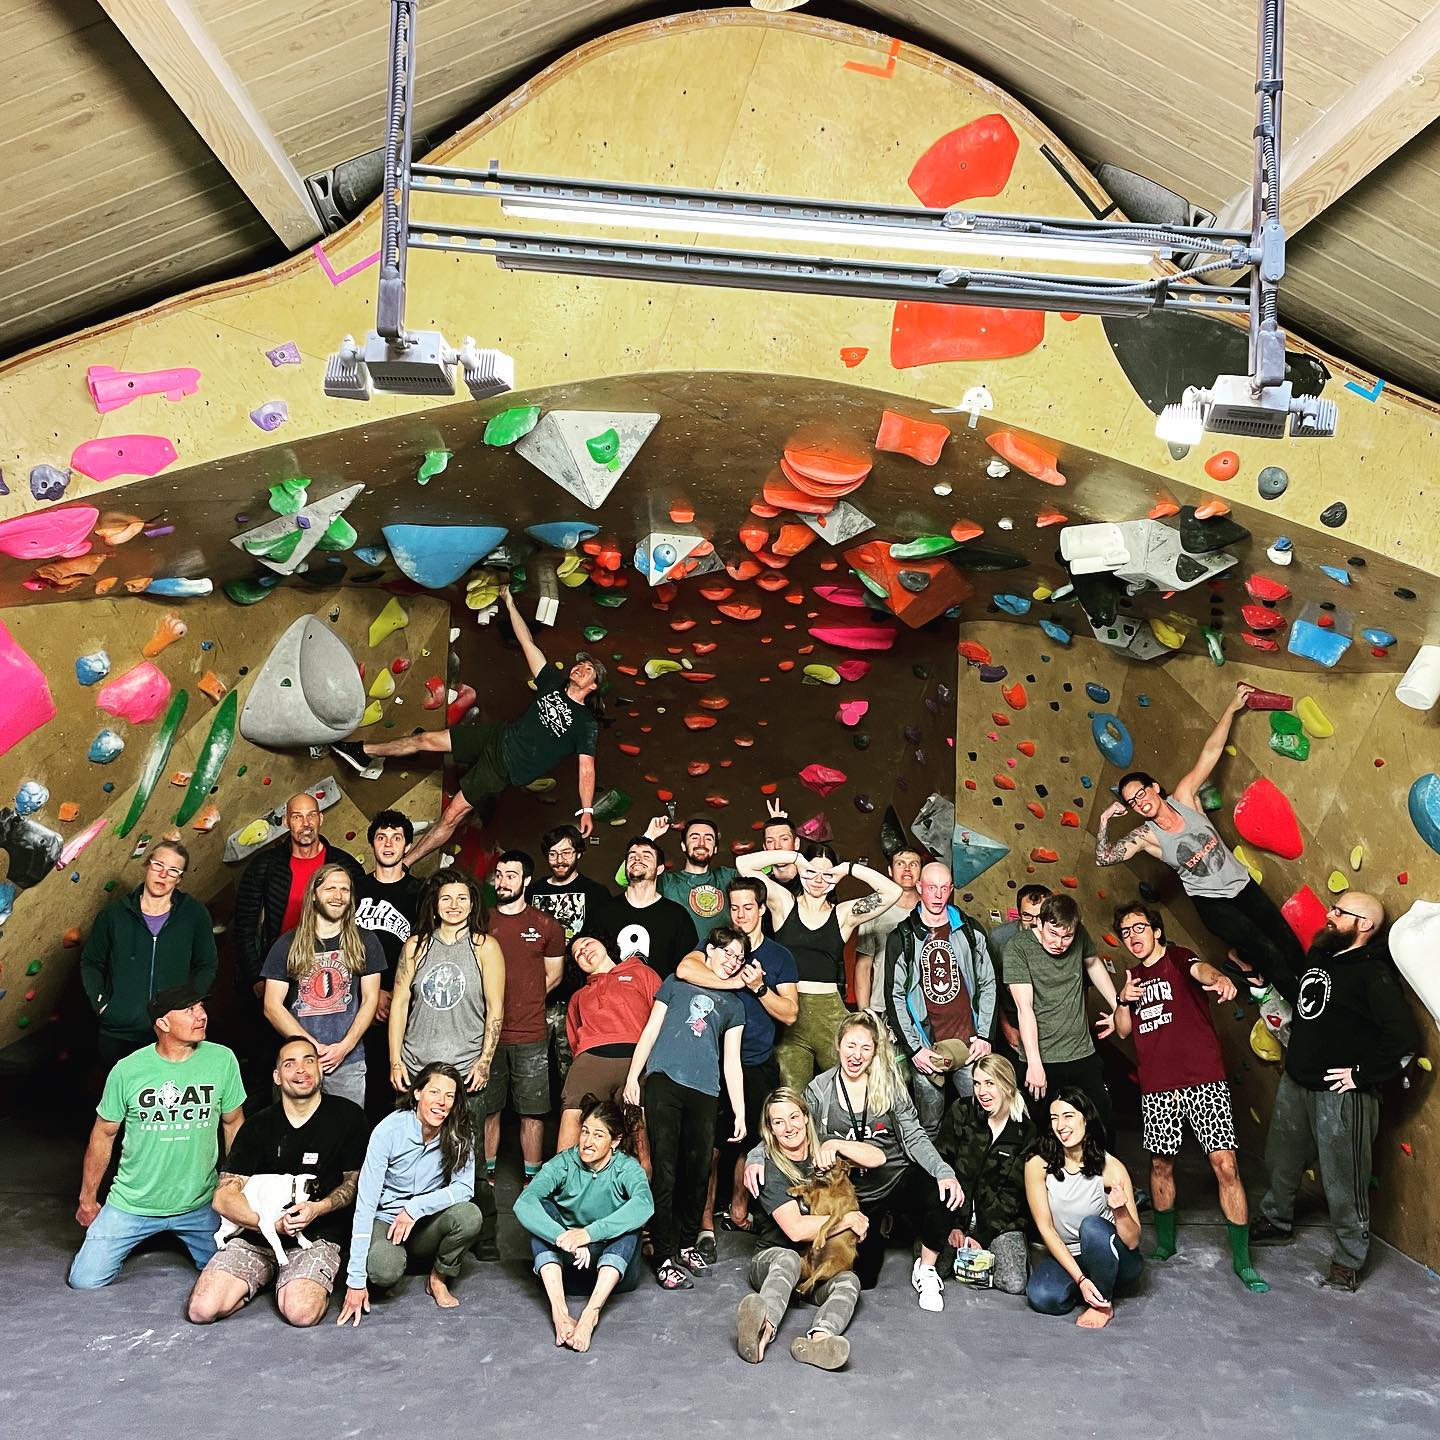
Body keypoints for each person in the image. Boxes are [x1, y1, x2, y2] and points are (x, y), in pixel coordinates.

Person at [332, 587, 603, 868]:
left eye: (587, 670)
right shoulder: (552, 683)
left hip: (505, 768)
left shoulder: (585, 724)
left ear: (593, 686)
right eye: (579, 664)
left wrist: (586, 808)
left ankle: (404, 865)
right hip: (496, 737)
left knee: (453, 814)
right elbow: (527, 642)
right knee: (426, 740)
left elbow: (586, 769)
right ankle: (363, 751)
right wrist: (509, 603)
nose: (579, 668)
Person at [1250, 892, 1418, 1291]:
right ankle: (1276, 1220)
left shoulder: (1373, 975)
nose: (1329, 914)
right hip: (1297, 1083)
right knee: (1281, 1158)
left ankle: (1348, 1258)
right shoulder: (1322, 955)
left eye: (1340, 912)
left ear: (1364, 926)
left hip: (1341, 1096)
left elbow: (1404, 1038)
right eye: (1333, 907)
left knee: (1345, 1180)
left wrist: (1361, 1076)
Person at [749, 1012, 963, 1312]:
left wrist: (943, 1171)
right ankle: (893, 1228)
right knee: (864, 1277)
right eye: (850, 1045)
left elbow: (914, 1136)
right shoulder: (820, 1089)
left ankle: (925, 1268)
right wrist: (755, 1155)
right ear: (837, 1046)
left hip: (893, 1177)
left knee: (942, 1192)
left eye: (865, 1047)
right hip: (855, 1197)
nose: (856, 1055)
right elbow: (792, 1124)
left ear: (875, 1051)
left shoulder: (888, 1084)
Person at [1094, 682, 1305, 983]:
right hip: (1212, 903)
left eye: (1141, 793)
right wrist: (1104, 819)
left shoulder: (1185, 798)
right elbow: (1103, 858)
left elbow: (1211, 752)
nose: (1140, 802)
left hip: (1241, 885)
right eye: (1132, 802)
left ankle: (1320, 990)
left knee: (1283, 937)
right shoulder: (1146, 836)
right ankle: (1304, 1010)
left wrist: (1232, 707)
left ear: (1154, 788)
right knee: (1264, 949)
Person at [1109, 901, 1268, 1292]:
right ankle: (1164, 1244)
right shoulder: (1131, 977)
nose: (1133, 936)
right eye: (1126, 932)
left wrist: (1219, 979)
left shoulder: (1178, 957)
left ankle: (1243, 1261)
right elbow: (1123, 1030)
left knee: (1225, 1165)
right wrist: (1123, 998)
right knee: (1161, 1166)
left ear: (1157, 931)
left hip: (1203, 1082)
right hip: (1159, 1087)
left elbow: (1201, 969)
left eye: (1139, 928)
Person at [69, 988, 245, 1289]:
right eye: (189, 1010)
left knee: (236, 1277)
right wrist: (87, 1198)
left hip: (199, 1203)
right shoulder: (128, 1071)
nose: (201, 1015)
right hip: (133, 1203)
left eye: (201, 1007)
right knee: (84, 1279)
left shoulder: (222, 1060)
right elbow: (103, 1133)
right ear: (162, 1024)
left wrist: (234, 1185)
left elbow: (234, 1123)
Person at [186, 1037, 369, 1326]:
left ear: (321, 1068)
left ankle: (290, 1280)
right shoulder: (258, 1125)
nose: (302, 1070)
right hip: (256, 1234)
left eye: (309, 1060)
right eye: (290, 1063)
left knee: (300, 1313)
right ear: (277, 1076)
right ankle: (266, 1276)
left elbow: (356, 1183)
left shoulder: (348, 1117)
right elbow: (223, 1197)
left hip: (317, 1235)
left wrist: (318, 1208)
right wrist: (271, 1225)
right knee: (201, 1310)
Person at [676, 876, 799, 1249]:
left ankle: (740, 1210)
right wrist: (734, 982)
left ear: (762, 909)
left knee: (752, 1143)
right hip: (711, 1059)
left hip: (757, 1061)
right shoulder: (717, 945)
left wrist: (760, 988)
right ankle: (704, 1220)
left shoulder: (779, 956)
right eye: (734, 907)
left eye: (749, 907)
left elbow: (791, 1013)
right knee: (710, 1143)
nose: (741, 915)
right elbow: (684, 970)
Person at [623, 928, 747, 1290]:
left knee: (698, 1171)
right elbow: (650, 1030)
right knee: (665, 1170)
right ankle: (663, 1255)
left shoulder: (734, 1005)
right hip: (664, 1082)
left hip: (706, 1090)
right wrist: (634, 1077)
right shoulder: (676, 983)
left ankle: (688, 1244)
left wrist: (739, 1110)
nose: (732, 962)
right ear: (709, 951)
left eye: (739, 958)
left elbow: (732, 1062)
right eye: (728, 954)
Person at [738, 841, 902, 1091]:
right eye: (811, 872)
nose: (818, 880)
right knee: (793, 1096)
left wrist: (847, 868)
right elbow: (743, 864)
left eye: (827, 874)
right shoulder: (784, 904)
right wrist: (794, 858)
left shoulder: (844, 914)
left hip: (830, 1015)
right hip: (789, 1013)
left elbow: (893, 892)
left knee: (848, 1090)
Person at [738, 1087, 881, 1371]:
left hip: (812, 1269)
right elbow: (795, 1230)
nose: (789, 1127)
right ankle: (761, 1331)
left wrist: (837, 1146)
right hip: (773, 1261)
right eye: (778, 1122)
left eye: (794, 1117)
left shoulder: (824, 1151)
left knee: (849, 1281)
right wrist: (848, 1219)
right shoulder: (768, 1165)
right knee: (788, 1258)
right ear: (770, 1129)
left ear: (806, 1117)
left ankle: (819, 1339)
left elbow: (878, 1158)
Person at [339, 1062, 484, 1323]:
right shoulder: (388, 1131)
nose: (442, 1102)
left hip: (425, 1223)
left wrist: (416, 1208)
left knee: (469, 1215)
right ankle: (396, 1260)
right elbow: (366, 1203)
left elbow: (465, 1188)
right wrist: (355, 1280)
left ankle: (438, 1278)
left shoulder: (460, 1132)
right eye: (434, 1092)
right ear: (417, 1093)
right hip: (387, 1221)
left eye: (449, 1096)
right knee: (383, 1270)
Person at [514, 1094, 654, 1352]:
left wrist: (588, 1234)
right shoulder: (565, 1163)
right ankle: (560, 1313)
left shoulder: (627, 1168)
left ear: (616, 1141)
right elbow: (524, 1203)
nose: (587, 1142)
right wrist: (563, 1238)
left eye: (598, 1135)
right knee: (541, 1210)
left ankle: (590, 1315)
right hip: (568, 1268)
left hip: (613, 1276)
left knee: (630, 1222)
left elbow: (645, 1205)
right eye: (585, 1132)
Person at [80, 840, 218, 1068]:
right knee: (120, 1099)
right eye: (158, 865)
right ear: (147, 866)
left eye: (173, 870)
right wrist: (103, 1004)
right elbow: (91, 962)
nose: (163, 875)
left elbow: (207, 964)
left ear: (180, 878)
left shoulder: (194, 914)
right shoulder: (114, 914)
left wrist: (188, 1006)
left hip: (172, 1031)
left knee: (168, 1098)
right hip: (119, 1031)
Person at [882, 860, 996, 1135]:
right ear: (919, 887)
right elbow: (894, 995)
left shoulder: (970, 930)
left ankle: (972, 1176)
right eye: (931, 887)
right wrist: (914, 1049)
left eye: (944, 888)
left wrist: (984, 1036)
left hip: (969, 1044)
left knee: (979, 1121)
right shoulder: (903, 936)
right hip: (927, 1046)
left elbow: (988, 982)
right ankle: (933, 1176)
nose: (937, 894)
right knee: (929, 1126)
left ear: (951, 890)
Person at [261, 864, 384, 1106]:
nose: (338, 896)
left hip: (348, 1062)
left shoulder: (366, 941)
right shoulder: (287, 944)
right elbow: (271, 1006)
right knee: (295, 1135)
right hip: (298, 1063)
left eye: (344, 890)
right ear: (315, 894)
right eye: (330, 888)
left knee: (346, 1136)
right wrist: (311, 1049)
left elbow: (371, 1000)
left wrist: (344, 1047)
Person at [1025, 1088, 1143, 1327]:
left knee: (1091, 1226)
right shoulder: (1037, 1165)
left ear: (1085, 1119)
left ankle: (1102, 1303)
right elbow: (1046, 1228)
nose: (1060, 1125)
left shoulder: (1111, 1167)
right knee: (1042, 1297)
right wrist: (1079, 1279)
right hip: (1070, 1256)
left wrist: (1120, 1211)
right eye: (1054, 1118)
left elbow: (1132, 1241)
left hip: (1114, 1256)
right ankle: (1091, 1285)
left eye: (1068, 1116)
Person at [232, 790, 364, 1002]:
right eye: (297, 817)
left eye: (311, 815)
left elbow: (361, 923)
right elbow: (244, 926)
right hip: (282, 970)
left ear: (321, 818)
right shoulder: (265, 866)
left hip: (333, 967)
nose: (306, 823)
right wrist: (256, 977)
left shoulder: (345, 866)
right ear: (286, 822)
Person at [482, 850, 565, 1183]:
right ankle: (484, 1176)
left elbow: (554, 975)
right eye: (499, 875)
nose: (503, 881)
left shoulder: (546, 925)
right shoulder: (481, 920)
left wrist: (524, 1000)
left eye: (511, 875)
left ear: (527, 880)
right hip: (488, 1034)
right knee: (488, 1109)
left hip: (531, 1033)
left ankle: (532, 1179)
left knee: (533, 1111)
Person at [1004, 893, 1120, 1130]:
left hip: (1081, 1052)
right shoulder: (1018, 947)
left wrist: (1118, 1008)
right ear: (1040, 922)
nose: (1059, 943)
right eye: (1053, 934)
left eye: (1067, 936)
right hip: (1042, 1057)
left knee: (1101, 1125)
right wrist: (1034, 1064)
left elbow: (1093, 963)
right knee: (1043, 1130)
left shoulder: (1080, 935)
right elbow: (1024, 1009)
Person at [934, 1054, 1036, 1295]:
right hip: (955, 1214)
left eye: (990, 1083)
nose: (982, 1091)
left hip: (999, 1223)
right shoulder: (962, 1111)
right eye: (977, 1083)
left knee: (1014, 1282)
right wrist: (953, 1224)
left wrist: (982, 1236)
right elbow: (941, 1165)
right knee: (938, 1267)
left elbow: (1015, 1195)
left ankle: (990, 1255)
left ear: (1007, 1085)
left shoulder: (1025, 1132)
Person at [559, 935, 662, 1155]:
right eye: (578, 954)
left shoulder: (642, 973)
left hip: (636, 1059)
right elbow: (574, 1040)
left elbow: (661, 1018)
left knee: (639, 1140)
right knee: (573, 1116)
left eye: (587, 943)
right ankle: (564, 1185)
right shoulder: (579, 997)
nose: (584, 951)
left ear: (605, 944)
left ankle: (640, 1185)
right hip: (592, 1059)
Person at [354, 810, 422, 1118]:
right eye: (381, 837)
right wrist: (372, 991)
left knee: (400, 1083)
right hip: (355, 1000)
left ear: (408, 846)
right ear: (372, 845)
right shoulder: (354, 889)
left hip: (403, 1002)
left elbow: (426, 951)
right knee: (362, 1085)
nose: (389, 845)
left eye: (397, 838)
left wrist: (395, 993)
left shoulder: (421, 893)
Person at [530, 822, 611, 1076]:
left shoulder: (597, 894)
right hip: (539, 995)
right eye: (553, 854)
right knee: (534, 1072)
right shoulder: (533, 892)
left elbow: (605, 945)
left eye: (566, 853)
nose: (559, 860)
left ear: (578, 854)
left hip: (580, 996)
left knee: (575, 1070)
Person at [588, 834, 698, 980]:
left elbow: (689, 969)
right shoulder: (603, 912)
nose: (637, 858)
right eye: (632, 856)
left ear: (659, 869)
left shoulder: (677, 916)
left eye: (646, 856)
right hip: (609, 999)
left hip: (659, 1000)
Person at [639, 815, 739, 942]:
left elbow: (765, 871)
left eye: (708, 839)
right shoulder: (666, 882)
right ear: (683, 846)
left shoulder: (727, 876)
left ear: (715, 849)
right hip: (681, 960)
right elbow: (625, 878)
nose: (701, 843)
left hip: (722, 959)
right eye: (695, 837)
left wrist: (773, 835)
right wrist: (649, 837)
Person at [853, 847, 923, 1010]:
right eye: (900, 864)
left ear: (921, 871)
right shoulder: (874, 910)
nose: (907, 869)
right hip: (883, 1006)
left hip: (923, 1009)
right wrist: (865, 1012)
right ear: (890, 871)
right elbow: (863, 966)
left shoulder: (931, 910)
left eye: (913, 864)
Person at [983, 884, 1049, 1056]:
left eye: (1040, 916)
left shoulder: (1058, 939)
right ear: (1019, 913)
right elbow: (991, 987)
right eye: (1027, 916)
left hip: (1049, 1023)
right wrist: (1006, 1029)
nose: (1034, 923)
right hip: (1014, 1023)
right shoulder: (999, 939)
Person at [759, 798, 802, 896]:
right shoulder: (761, 878)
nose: (777, 846)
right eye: (770, 841)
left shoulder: (809, 875)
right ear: (765, 848)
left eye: (784, 839)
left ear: (796, 843)